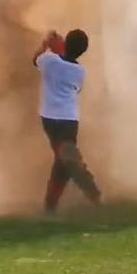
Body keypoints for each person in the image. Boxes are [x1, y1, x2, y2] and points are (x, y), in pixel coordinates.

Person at [33, 29, 102, 213]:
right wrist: (59, 49)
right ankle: (90, 193)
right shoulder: (79, 71)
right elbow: (76, 89)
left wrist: (47, 44)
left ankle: (54, 204)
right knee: (66, 159)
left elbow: (36, 60)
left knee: (64, 160)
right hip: (69, 120)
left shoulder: (49, 60)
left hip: (49, 119)